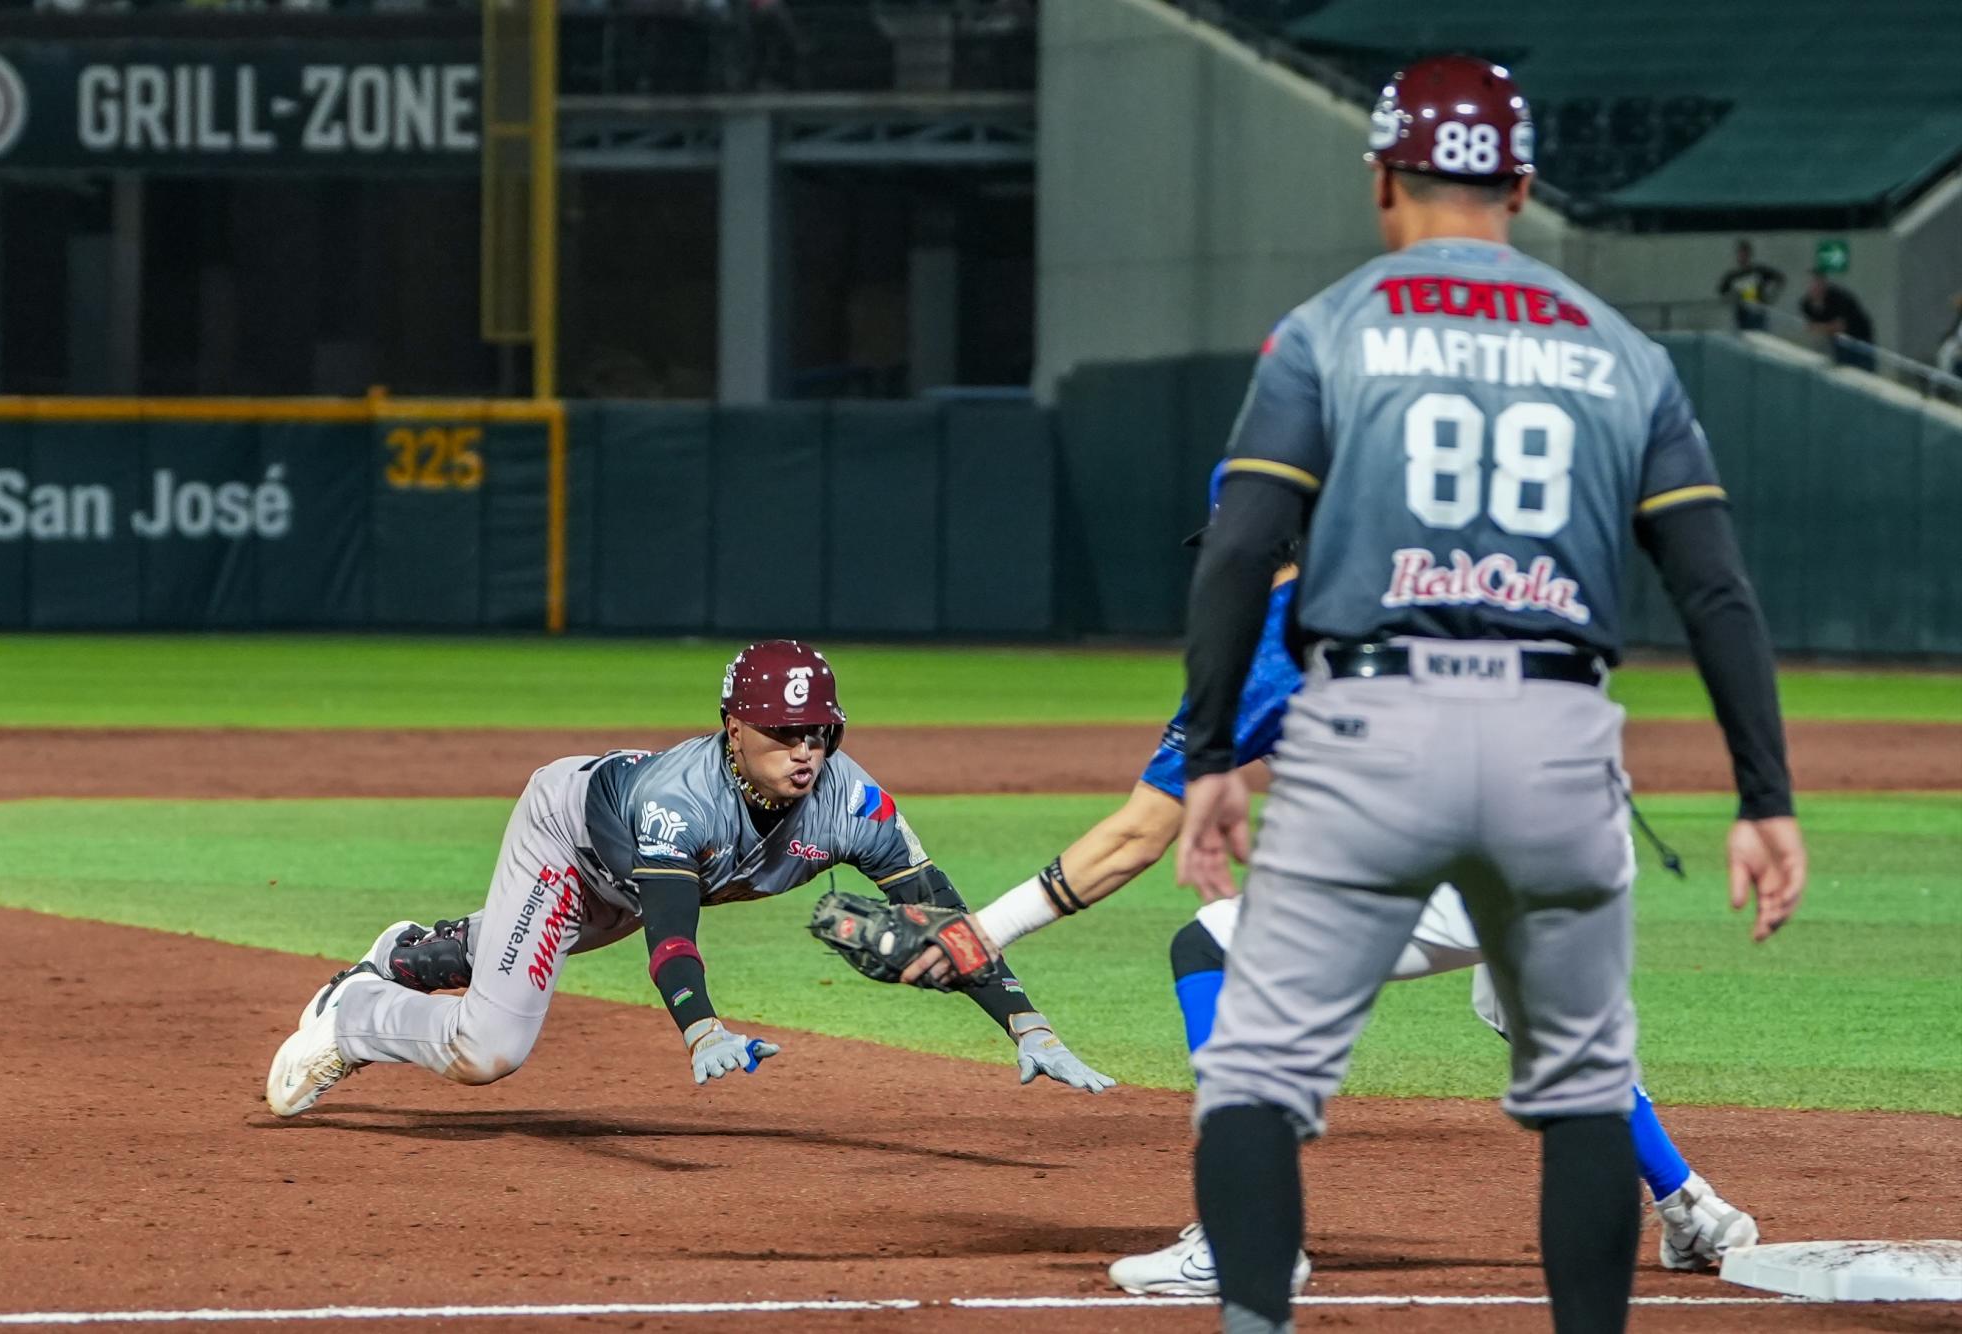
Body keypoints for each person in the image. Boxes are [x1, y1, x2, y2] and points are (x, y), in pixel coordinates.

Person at [1176, 55, 1804, 1334]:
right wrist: (1763, 795)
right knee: (1579, 1090)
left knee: (1255, 1070)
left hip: (1371, 726)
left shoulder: (1329, 329)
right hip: (1557, 740)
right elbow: (1714, 589)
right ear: (1519, 184)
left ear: (1380, 180)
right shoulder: (1620, 351)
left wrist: (1207, 755)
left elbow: (1241, 550)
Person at [917, 545, 1759, 1297]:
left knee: (1210, 942)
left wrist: (980, 932)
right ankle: (1694, 1210)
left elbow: (1135, 838)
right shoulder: (1409, 574)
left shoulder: (1269, 641)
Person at [263, 639, 1113, 1118]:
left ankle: (408, 955)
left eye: (820, 730)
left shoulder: (855, 802)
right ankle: (359, 1014)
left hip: (633, 876)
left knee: (525, 945)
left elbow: (944, 917)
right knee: (489, 1050)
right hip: (571, 836)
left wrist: (1025, 1024)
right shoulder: (683, 800)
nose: (807, 750)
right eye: (784, 732)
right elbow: (671, 933)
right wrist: (701, 1030)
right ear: (734, 729)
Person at [1800, 270, 1876, 371]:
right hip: (1839, 342)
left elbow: (1839, 326)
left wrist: (1819, 327)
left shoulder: (1838, 297)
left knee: (1863, 369)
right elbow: (1813, 327)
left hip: (1859, 338)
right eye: (1811, 285)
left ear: (1823, 284)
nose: (1814, 288)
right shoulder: (1806, 305)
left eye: (1817, 284)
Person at [1715, 240, 1783, 331]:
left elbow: (1779, 279)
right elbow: (1722, 291)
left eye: (1745, 254)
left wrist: (1771, 297)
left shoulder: (1759, 271)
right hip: (1742, 316)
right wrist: (1733, 298)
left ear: (1749, 255)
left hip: (1758, 314)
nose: (1742, 257)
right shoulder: (1733, 276)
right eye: (1740, 254)